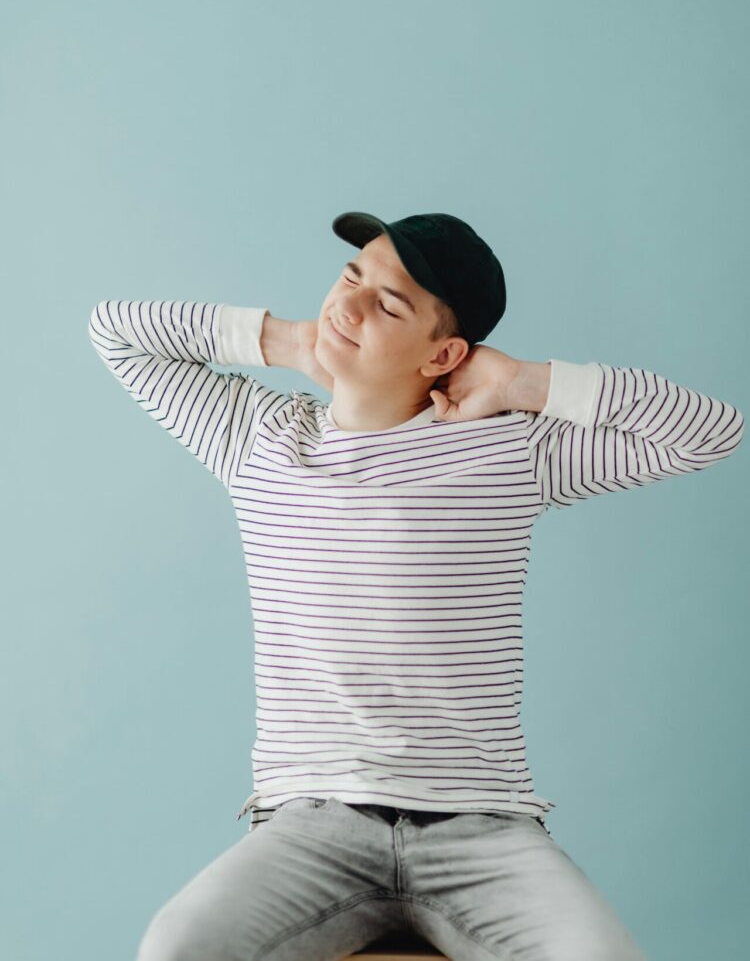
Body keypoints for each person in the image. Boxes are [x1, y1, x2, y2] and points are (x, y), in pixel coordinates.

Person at [88, 212, 743, 960]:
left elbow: (709, 429)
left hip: (483, 832)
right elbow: (116, 330)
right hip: (311, 827)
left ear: (446, 353)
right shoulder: (258, 440)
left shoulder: (508, 449)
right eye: (353, 276)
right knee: (175, 948)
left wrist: (521, 380)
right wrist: (291, 340)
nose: (352, 304)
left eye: (390, 304)